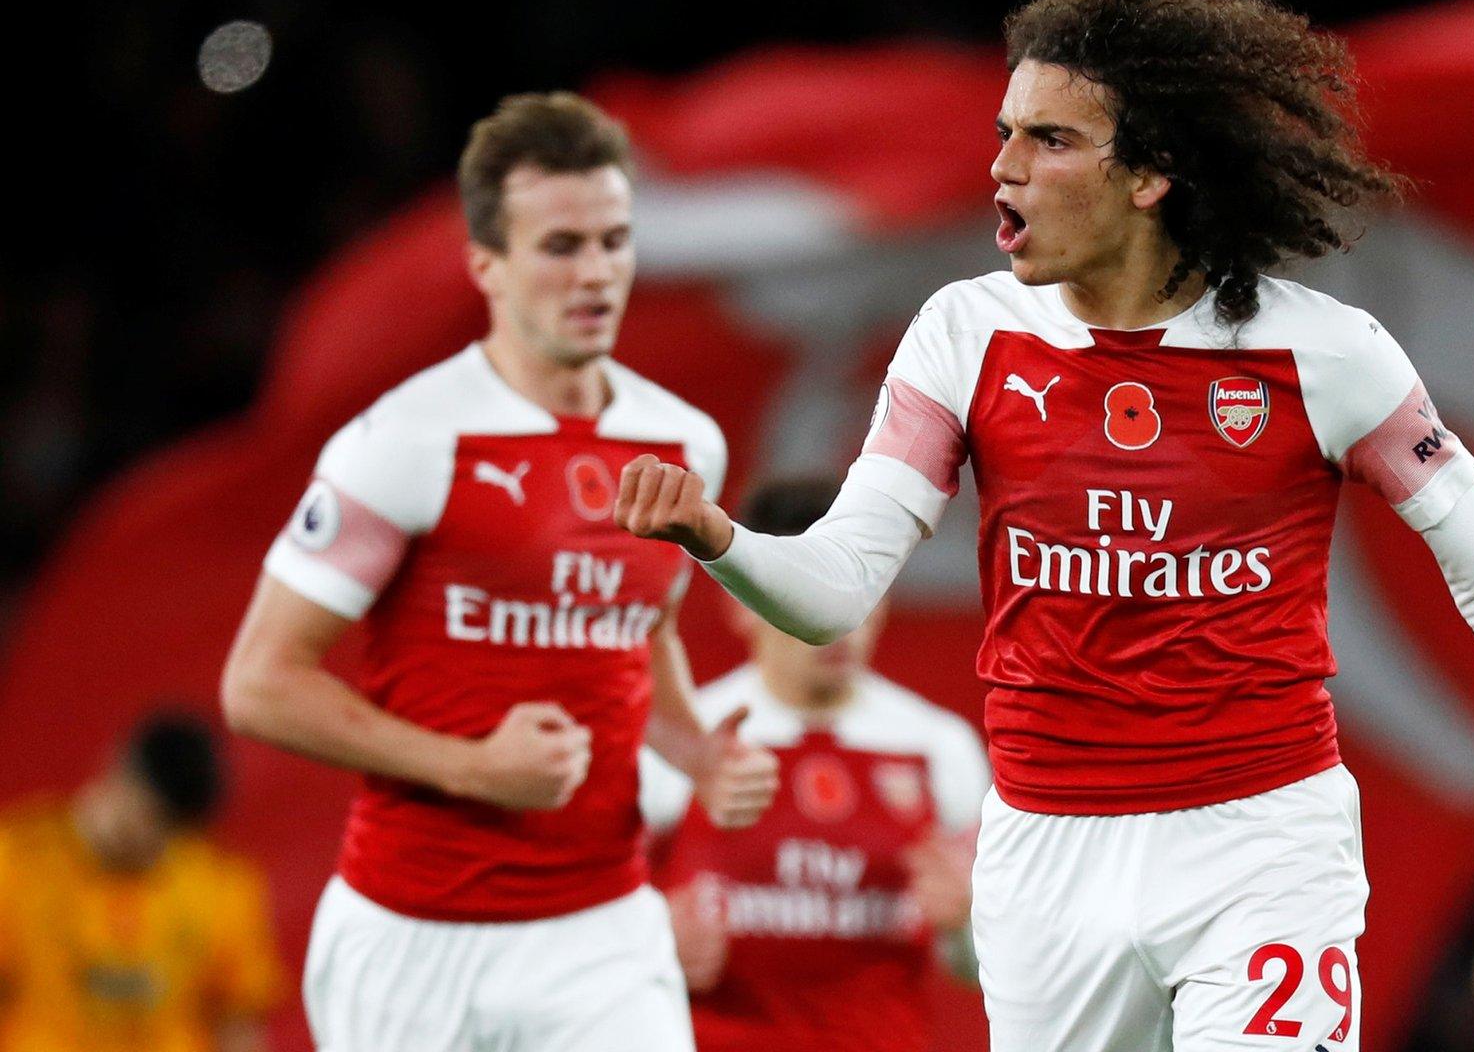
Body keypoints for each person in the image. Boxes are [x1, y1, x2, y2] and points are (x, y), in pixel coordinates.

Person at [615, 0, 1474, 1051]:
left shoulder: (1318, 352)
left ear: (1149, 174)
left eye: (1050, 140)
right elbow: (834, 592)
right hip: (1047, 854)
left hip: (1260, 843)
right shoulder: (964, 337)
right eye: (1004, 134)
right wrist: (718, 536)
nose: (1005, 169)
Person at [220, 91, 778, 1051]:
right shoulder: (406, 441)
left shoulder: (687, 443)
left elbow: (635, 630)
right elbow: (259, 686)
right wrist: (471, 767)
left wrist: (692, 750)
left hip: (604, 932)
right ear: (486, 264)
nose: (597, 272)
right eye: (561, 246)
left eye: (614, 240)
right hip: (411, 937)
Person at [637, 476, 990, 1052]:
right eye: (803, 589)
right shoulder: (685, 742)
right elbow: (583, 929)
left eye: (859, 590)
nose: (838, 619)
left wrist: (969, 923)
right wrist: (649, 941)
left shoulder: (939, 748)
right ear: (741, 602)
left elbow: (980, 966)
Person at [0, 712, 282, 1052]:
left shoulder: (219, 884)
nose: (160, 843)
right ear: (119, 774)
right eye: (153, 818)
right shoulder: (14, 862)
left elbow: (238, 1021)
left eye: (176, 830)